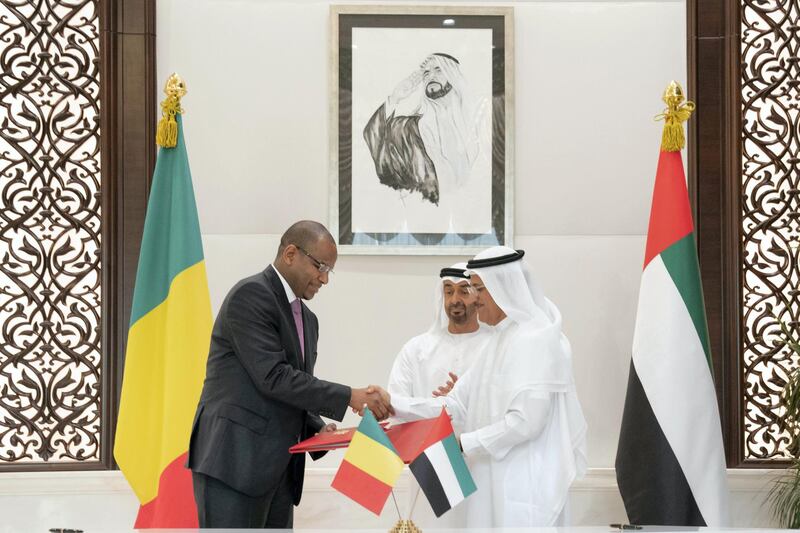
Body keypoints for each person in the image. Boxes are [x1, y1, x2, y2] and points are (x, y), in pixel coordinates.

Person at [187, 220, 392, 529]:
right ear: (291, 253)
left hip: (280, 470)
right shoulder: (251, 295)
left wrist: (315, 431)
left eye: (329, 271)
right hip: (234, 462)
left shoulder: (308, 320)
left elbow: (293, 388)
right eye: (320, 266)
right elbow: (274, 377)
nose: (324, 279)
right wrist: (350, 395)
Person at [390, 246, 587, 527]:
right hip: (491, 483)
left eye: (478, 289)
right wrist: (391, 402)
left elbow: (526, 422)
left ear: (502, 288)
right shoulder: (497, 341)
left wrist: (464, 443)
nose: (475, 299)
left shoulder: (534, 340)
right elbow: (455, 404)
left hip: (522, 489)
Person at [363, 53, 483, 205]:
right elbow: (374, 137)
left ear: (454, 75)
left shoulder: (475, 128)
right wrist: (395, 98)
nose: (430, 75)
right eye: (426, 73)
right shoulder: (405, 129)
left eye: (438, 70)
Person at [387, 262, 490, 399]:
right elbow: (396, 401)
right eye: (449, 292)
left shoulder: (493, 345)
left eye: (464, 292)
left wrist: (463, 399)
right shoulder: (416, 349)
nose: (454, 300)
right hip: (426, 421)